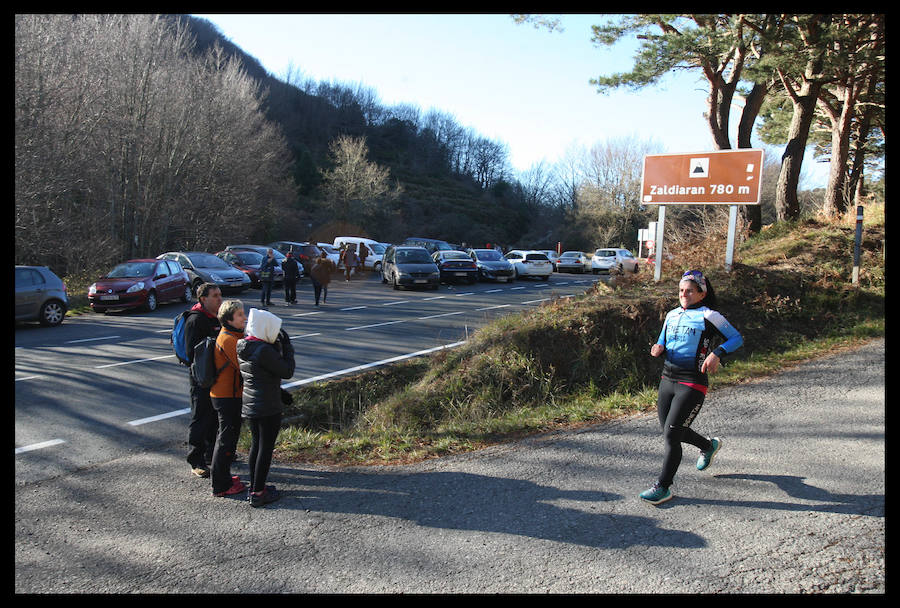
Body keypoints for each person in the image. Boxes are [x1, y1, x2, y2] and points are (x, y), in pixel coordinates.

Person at [641, 269, 743, 505]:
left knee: (672, 435)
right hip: (668, 379)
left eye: (689, 291)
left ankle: (663, 487)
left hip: (693, 382)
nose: (684, 295)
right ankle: (708, 446)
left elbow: (736, 338)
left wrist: (717, 353)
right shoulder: (672, 315)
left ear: (701, 293)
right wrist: (657, 347)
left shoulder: (710, 316)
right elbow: (662, 341)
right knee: (671, 430)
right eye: (680, 291)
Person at [237, 308, 296, 507]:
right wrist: (287, 347)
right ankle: (258, 492)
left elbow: (262, 376)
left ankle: (255, 486)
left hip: (252, 404)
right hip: (267, 406)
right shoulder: (264, 351)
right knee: (265, 448)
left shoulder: (245, 346)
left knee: (256, 445)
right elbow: (287, 371)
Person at [208, 299, 248, 497]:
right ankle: (220, 485)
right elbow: (243, 365)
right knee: (225, 440)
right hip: (226, 396)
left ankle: (224, 477)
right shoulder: (228, 339)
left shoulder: (233, 336)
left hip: (230, 395)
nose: (244, 317)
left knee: (228, 439)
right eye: (240, 314)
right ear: (229, 319)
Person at [183, 283, 223, 478]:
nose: (219, 299)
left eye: (220, 295)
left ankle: (210, 454)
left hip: (216, 376)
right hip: (201, 377)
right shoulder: (195, 320)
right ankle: (195, 460)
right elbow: (192, 353)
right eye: (215, 296)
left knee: (215, 417)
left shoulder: (217, 317)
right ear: (203, 299)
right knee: (200, 417)